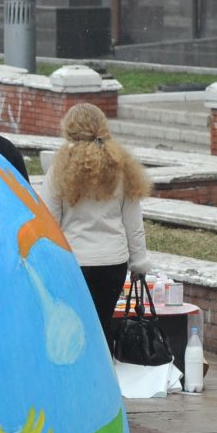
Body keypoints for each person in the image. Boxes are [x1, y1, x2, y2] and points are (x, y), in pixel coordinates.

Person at [41, 103, 151, 349]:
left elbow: (49, 221)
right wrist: (139, 262)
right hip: (113, 261)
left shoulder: (59, 169)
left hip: (74, 261)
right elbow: (133, 221)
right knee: (102, 324)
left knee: (76, 326)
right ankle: (106, 379)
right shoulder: (122, 168)